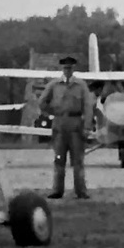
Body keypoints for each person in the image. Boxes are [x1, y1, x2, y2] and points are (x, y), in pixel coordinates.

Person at [37, 55, 93, 199]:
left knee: (78, 160)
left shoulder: (81, 86)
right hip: (60, 126)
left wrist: (87, 126)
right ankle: (57, 190)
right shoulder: (54, 85)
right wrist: (53, 111)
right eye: (65, 68)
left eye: (70, 68)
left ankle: (81, 190)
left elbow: (88, 106)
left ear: (73, 69)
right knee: (59, 158)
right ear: (62, 69)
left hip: (75, 126)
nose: (68, 70)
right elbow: (42, 102)